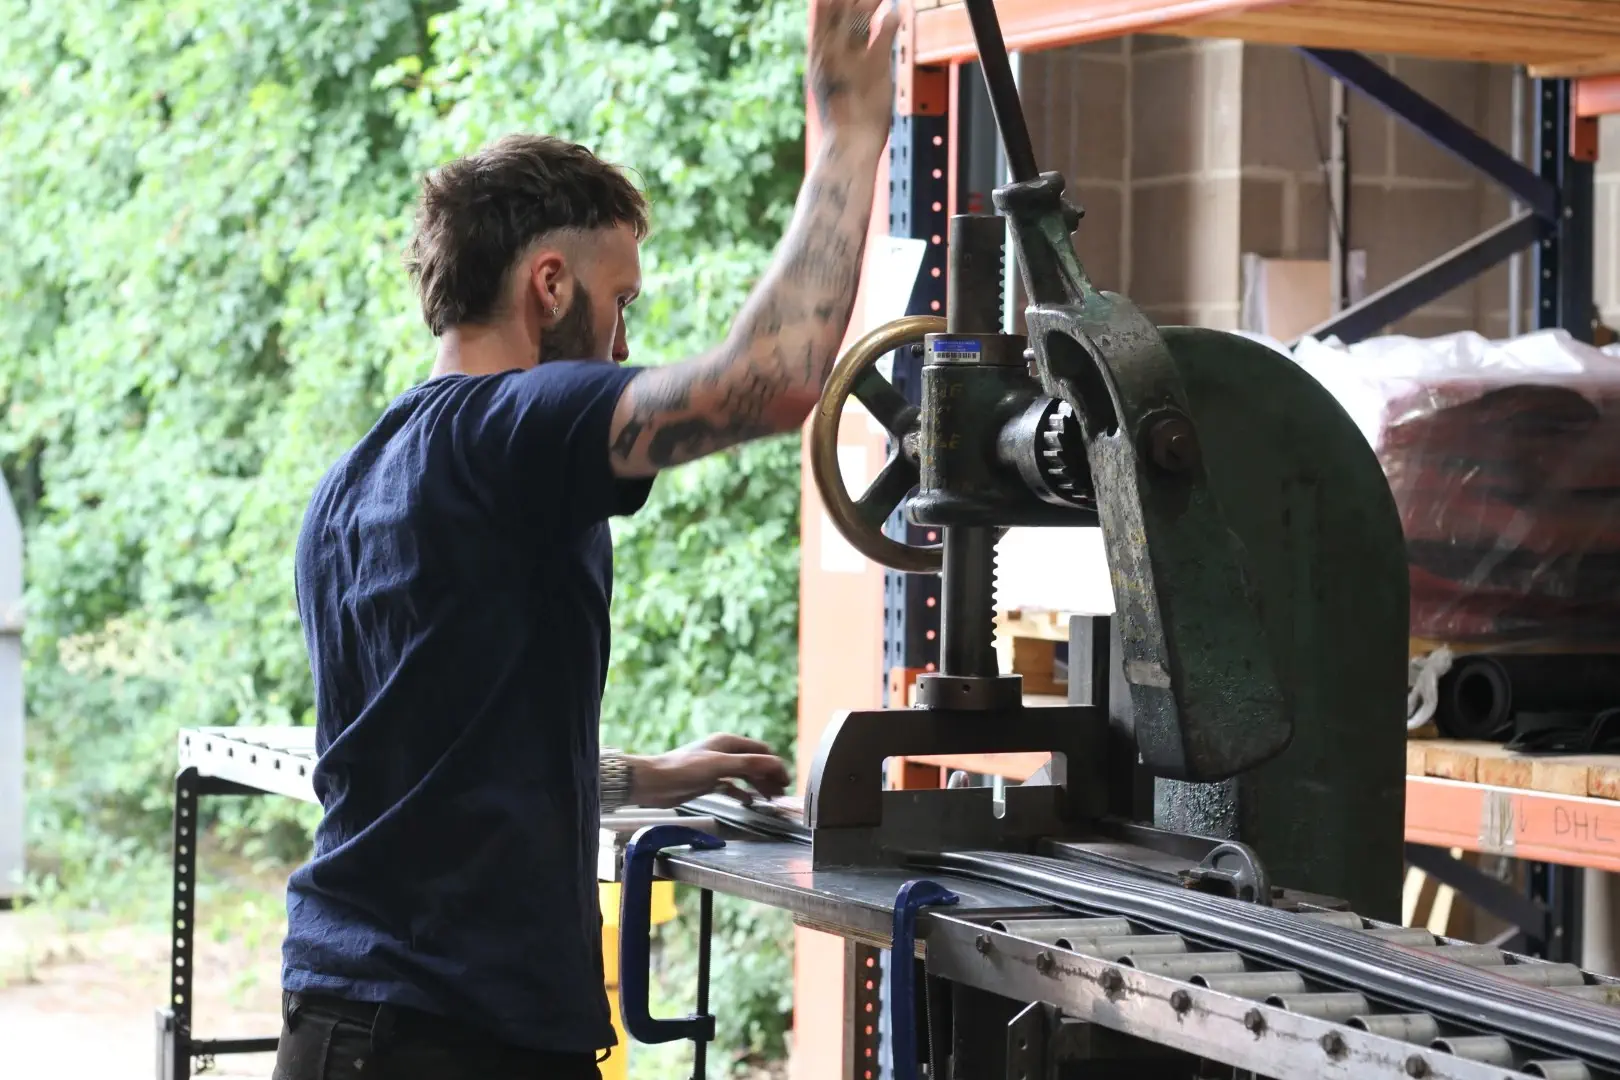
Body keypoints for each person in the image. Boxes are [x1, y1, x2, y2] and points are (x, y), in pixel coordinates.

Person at [270, 1, 898, 1077]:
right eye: (619, 301)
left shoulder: (353, 485)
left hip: (349, 1023)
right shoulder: (512, 425)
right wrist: (849, 136)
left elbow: (434, 752)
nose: (621, 341)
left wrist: (645, 779)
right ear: (548, 284)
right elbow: (777, 380)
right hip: (453, 1040)